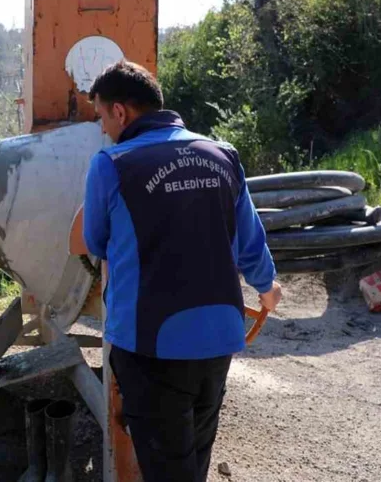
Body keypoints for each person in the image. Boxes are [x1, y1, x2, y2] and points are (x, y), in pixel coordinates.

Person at [81, 61, 282, 482]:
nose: (103, 128)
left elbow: (95, 243)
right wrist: (267, 287)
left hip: (151, 345)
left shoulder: (111, 165)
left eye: (101, 116)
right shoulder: (222, 154)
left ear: (121, 112)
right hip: (218, 338)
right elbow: (250, 241)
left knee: (168, 471)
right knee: (193, 460)